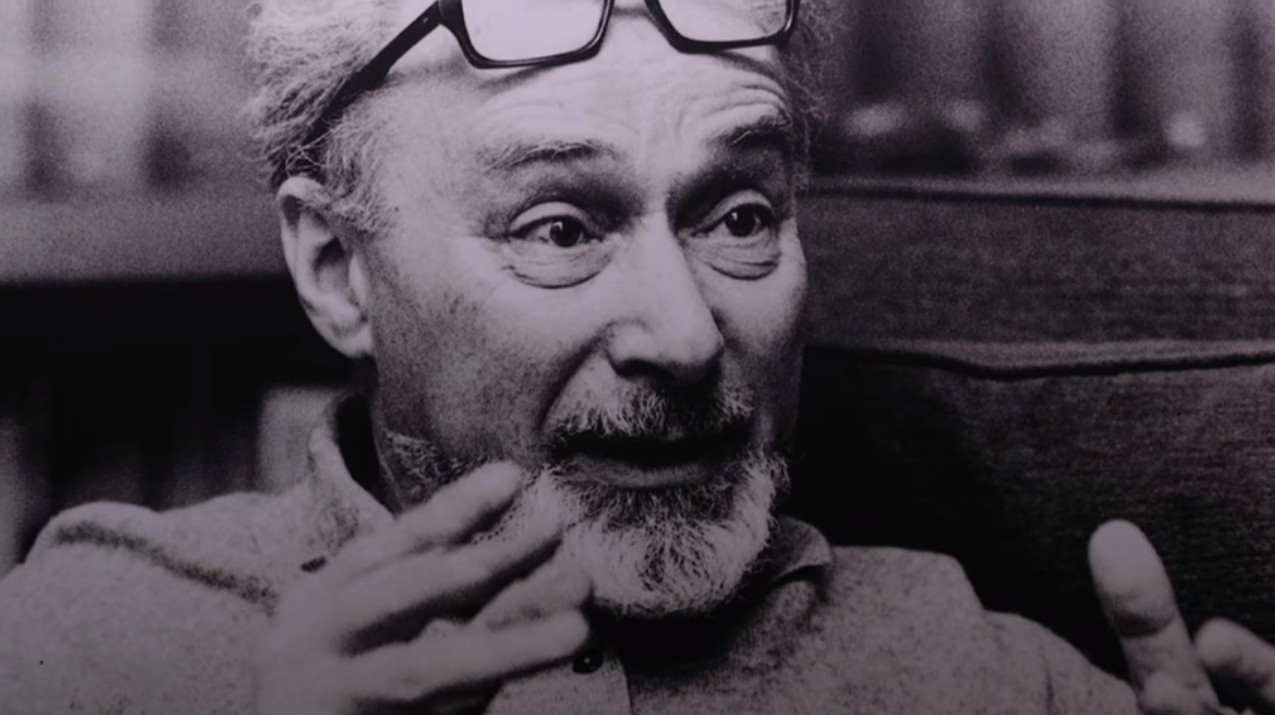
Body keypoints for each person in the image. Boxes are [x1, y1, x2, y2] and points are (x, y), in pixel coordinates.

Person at [2, 0, 1274, 713]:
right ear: (340, 271)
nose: (684, 336)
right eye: (560, 228)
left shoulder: (981, 676)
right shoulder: (90, 648)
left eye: (740, 217)